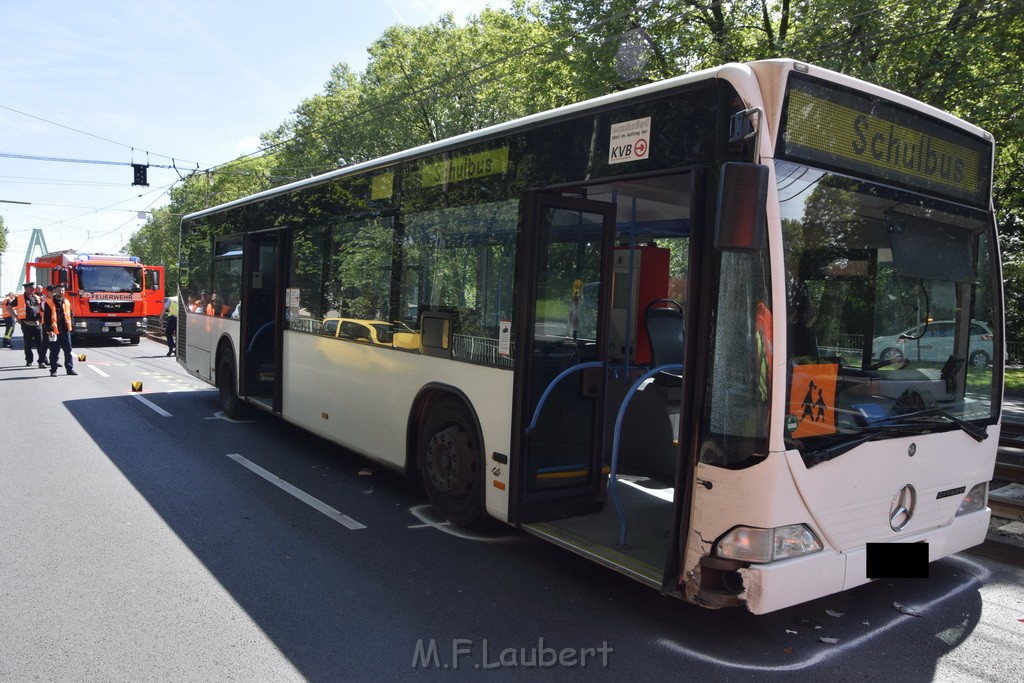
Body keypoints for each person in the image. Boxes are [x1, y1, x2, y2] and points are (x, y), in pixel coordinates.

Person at [43, 283, 76, 376]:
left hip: (65, 331)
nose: (60, 292)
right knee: (54, 352)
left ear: (64, 292)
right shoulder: (49, 303)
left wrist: (71, 325)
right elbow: (46, 318)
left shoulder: (67, 302)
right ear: (55, 291)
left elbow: (70, 315)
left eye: (62, 290)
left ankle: (69, 369)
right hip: (54, 331)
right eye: (58, 290)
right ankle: (53, 370)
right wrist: (49, 330)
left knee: (68, 351)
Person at [18, 281, 47, 368]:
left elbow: (43, 307)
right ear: (26, 289)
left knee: (40, 343)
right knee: (28, 343)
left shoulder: (37, 297)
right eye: (31, 288)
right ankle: (29, 360)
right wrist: (16, 316)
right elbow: (9, 307)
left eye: (33, 288)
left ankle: (42, 361)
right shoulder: (20, 298)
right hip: (26, 324)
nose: (33, 289)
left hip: (37, 323)